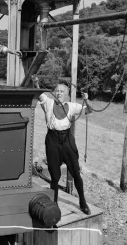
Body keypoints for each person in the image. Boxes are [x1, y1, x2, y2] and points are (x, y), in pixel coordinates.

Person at [33, 78, 92, 215]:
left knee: (76, 173)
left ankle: (82, 202)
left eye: (62, 91)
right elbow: (38, 91)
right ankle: (54, 205)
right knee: (55, 176)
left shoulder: (72, 106)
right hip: (52, 140)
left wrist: (86, 99)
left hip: (67, 140)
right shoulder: (48, 103)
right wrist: (35, 81)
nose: (59, 93)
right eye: (57, 91)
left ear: (66, 94)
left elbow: (89, 110)